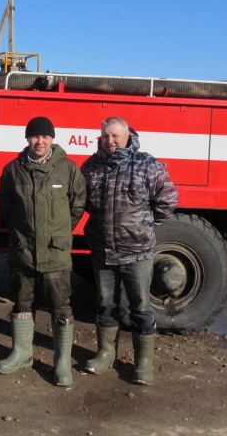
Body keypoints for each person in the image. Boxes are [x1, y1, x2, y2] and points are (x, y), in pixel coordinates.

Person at [80, 116, 178, 385]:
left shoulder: (147, 165)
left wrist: (146, 225)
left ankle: (143, 364)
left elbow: (168, 199)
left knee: (141, 307)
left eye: (115, 136)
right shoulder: (91, 166)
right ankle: (105, 354)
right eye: (106, 137)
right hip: (103, 251)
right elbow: (82, 200)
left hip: (137, 253)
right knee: (105, 304)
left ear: (127, 136)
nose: (110, 141)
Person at [0, 116, 86, 386]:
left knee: (61, 307)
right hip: (23, 252)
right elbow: (6, 207)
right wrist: (23, 233)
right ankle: (22, 354)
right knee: (22, 303)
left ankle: (61, 363)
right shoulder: (13, 170)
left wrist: (57, 232)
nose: (40, 141)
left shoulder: (68, 169)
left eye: (45, 136)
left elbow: (77, 205)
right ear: (27, 138)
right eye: (35, 136)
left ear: (52, 139)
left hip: (55, 253)